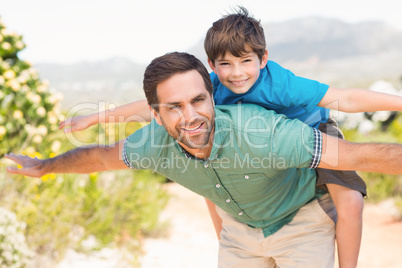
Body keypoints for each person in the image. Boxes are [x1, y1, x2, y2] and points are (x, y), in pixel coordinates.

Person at [57, 7, 402, 267]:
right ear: (211, 65)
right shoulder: (210, 88)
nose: (237, 74)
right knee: (206, 176)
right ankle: (234, 243)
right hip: (252, 145)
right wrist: (97, 117)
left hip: (311, 129)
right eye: (225, 64)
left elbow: (349, 98)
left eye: (246, 61)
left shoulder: (279, 83)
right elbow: (151, 107)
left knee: (350, 201)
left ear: (263, 58)